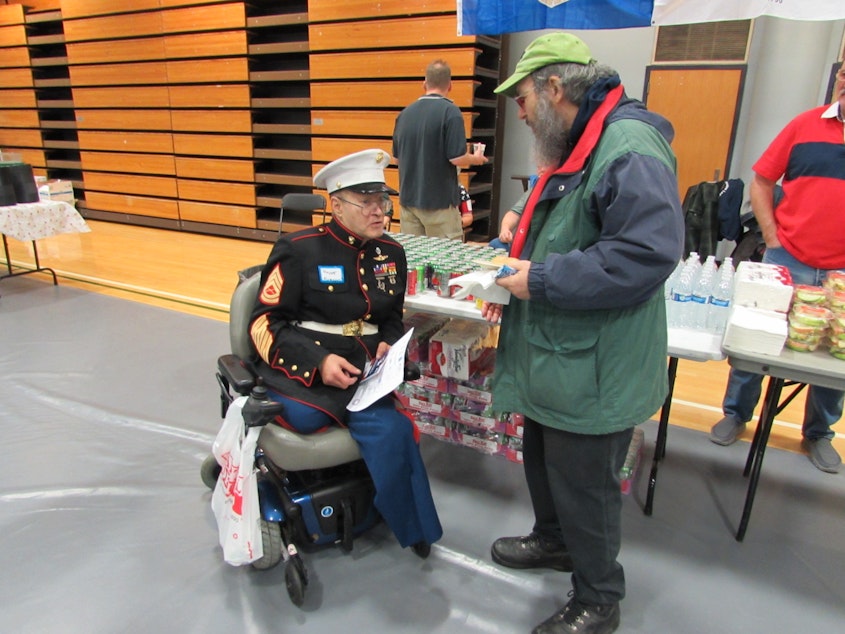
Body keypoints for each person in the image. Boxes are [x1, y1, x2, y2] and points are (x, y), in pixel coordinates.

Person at [480, 33, 684, 634]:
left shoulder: (628, 144)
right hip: (560, 355)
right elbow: (576, 220)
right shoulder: (579, 142)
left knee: (586, 484)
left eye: (522, 100)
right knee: (543, 460)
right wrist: (517, 239)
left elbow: (644, 255)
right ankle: (554, 540)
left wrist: (538, 277)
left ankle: (598, 597)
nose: (519, 112)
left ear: (554, 88)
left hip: (595, 365)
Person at [248, 148, 443, 556]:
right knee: (318, 415)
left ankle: (409, 524)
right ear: (336, 205)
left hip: (364, 369)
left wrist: (389, 341)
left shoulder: (391, 253)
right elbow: (265, 323)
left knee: (392, 431)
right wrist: (318, 362)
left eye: (383, 202)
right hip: (305, 366)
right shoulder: (298, 249)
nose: (380, 212)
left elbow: (390, 315)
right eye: (367, 202)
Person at [709, 61, 845, 474]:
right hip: (788, 259)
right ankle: (736, 413)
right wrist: (772, 238)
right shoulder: (804, 126)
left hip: (841, 274)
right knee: (755, 343)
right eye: (844, 74)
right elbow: (762, 181)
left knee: (835, 358)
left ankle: (819, 433)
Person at [392, 59, 488, 239]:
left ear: (424, 84)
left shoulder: (404, 115)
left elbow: (397, 159)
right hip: (440, 203)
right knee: (447, 262)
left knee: (414, 261)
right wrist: (475, 159)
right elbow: (457, 157)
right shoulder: (450, 112)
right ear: (450, 86)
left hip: (408, 201)